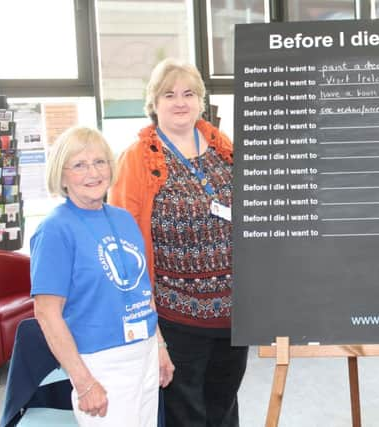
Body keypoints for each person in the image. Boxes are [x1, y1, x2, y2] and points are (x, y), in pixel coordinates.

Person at [109, 58, 247, 427]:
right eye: (169, 94)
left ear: (201, 100)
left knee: (224, 406)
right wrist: (148, 327)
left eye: (188, 93)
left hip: (234, 312)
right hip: (176, 313)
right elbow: (124, 247)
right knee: (186, 414)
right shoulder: (137, 159)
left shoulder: (224, 148)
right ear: (153, 103)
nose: (180, 102)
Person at [31, 126, 174, 426]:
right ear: (62, 175)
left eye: (99, 162)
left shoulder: (122, 219)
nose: (92, 172)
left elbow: (142, 292)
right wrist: (83, 381)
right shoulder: (55, 229)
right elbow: (46, 313)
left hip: (144, 352)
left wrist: (159, 346)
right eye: (79, 165)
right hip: (100, 363)